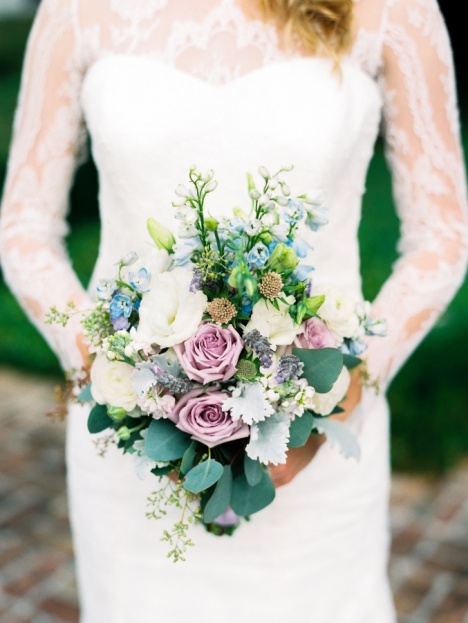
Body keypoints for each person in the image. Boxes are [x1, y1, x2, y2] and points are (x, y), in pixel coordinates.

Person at [0, 0, 467, 621]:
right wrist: (112, 376)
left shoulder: (392, 11)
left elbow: (443, 235)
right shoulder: (76, 11)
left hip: (318, 452)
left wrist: (343, 393)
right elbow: (24, 226)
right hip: (130, 456)